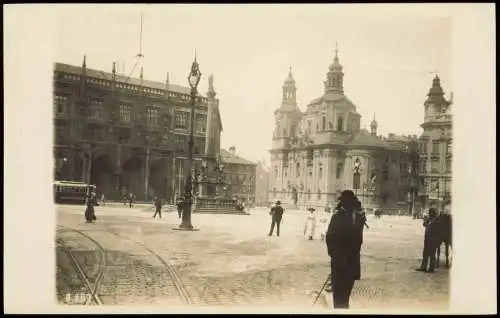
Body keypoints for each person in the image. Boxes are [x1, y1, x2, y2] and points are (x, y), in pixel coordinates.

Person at [325, 190, 366, 309]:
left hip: (351, 264)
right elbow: (331, 240)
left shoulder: (358, 218)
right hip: (340, 264)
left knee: (345, 297)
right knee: (339, 299)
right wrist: (338, 259)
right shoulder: (338, 217)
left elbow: (358, 241)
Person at [416, 208, 440, 273]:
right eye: (429, 213)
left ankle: (431, 268)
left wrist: (427, 222)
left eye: (430, 213)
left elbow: (430, 226)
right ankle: (423, 267)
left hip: (433, 240)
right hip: (427, 239)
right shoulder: (430, 219)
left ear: (433, 214)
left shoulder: (436, 220)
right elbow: (424, 225)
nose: (429, 214)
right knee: (425, 254)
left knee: (432, 254)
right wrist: (425, 220)